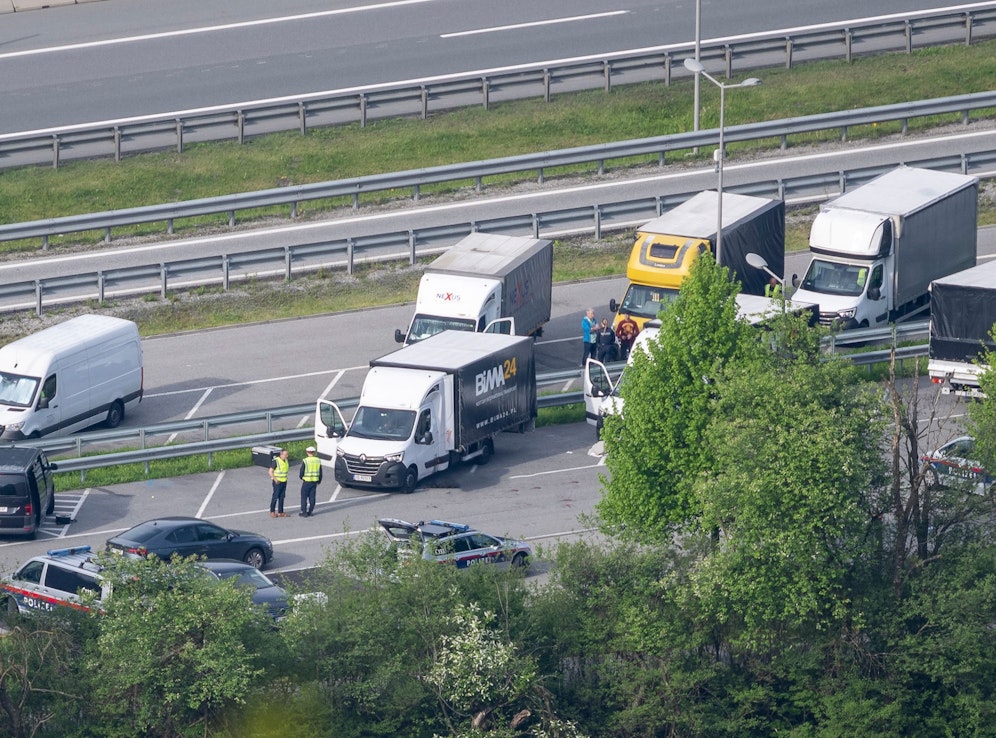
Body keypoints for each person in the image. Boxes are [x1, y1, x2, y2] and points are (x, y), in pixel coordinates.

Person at [298, 446, 323, 517]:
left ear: (307, 452)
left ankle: (304, 511)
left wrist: (302, 477)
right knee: (312, 497)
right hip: (314, 481)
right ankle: (310, 511)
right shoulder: (318, 460)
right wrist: (319, 480)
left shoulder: (305, 460)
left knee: (304, 497)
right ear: (314, 452)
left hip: (307, 481)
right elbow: (320, 471)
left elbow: (301, 471)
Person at [268, 448, 289, 518]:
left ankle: (281, 512)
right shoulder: (276, 461)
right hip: (277, 482)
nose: (287, 456)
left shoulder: (286, 461)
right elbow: (270, 471)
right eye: (285, 454)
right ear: (281, 454)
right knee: (275, 496)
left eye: (287, 454)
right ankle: (272, 511)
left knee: (282, 497)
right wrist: (275, 479)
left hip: (284, 481)